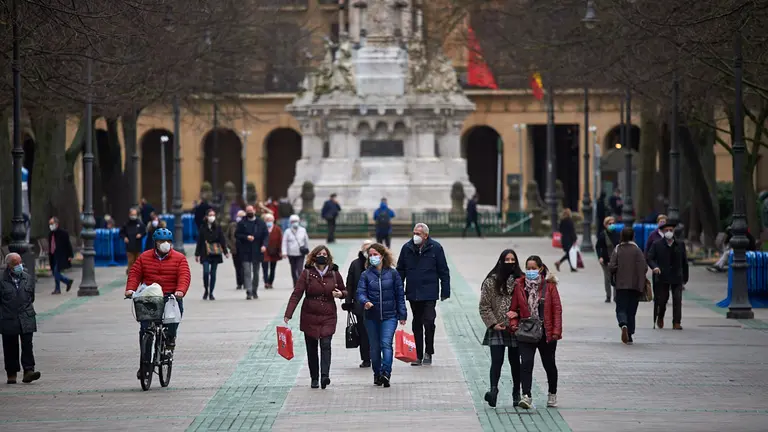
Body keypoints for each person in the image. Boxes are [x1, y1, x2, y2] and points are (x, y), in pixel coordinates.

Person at [125, 228, 191, 379]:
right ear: (155, 243)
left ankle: (169, 341)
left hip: (170, 297)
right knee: (145, 329)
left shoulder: (179, 258)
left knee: (172, 320)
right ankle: (145, 363)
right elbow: (135, 273)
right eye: (161, 242)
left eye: (168, 241)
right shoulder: (144, 257)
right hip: (151, 298)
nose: (165, 244)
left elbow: (184, 276)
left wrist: (180, 291)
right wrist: (130, 289)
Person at [284, 246, 346, 389]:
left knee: (325, 344)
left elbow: (344, 290)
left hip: (328, 314)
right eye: (319, 254)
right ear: (314, 256)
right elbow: (297, 294)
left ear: (328, 257)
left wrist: (341, 294)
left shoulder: (334, 273)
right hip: (309, 315)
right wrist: (289, 313)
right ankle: (314, 377)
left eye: (325, 254)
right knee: (311, 348)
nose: (322, 256)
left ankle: (325, 376)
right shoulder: (307, 273)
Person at [507, 255, 562, 410]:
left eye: (533, 268)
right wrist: (514, 324)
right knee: (526, 363)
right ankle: (527, 396)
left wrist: (557, 331)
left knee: (549, 364)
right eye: (528, 268)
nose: (530, 271)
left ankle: (552, 393)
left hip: (546, 332)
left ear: (540, 269)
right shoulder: (520, 286)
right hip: (526, 331)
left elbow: (557, 310)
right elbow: (513, 309)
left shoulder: (549, 286)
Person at [396, 223, 450, 366]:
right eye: (414, 233)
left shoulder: (436, 248)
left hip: (429, 292)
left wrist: (445, 291)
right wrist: (398, 288)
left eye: (418, 234)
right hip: (413, 292)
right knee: (417, 322)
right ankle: (418, 355)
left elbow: (443, 270)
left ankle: (429, 352)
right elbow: (400, 269)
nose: (415, 236)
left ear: (425, 235)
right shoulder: (407, 248)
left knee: (429, 322)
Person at [357, 243, 407, 388]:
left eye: (375, 254)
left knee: (386, 344)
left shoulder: (392, 273)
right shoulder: (365, 275)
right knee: (374, 347)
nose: (373, 257)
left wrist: (402, 313)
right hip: (371, 316)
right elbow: (360, 292)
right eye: (370, 255)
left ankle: (386, 373)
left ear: (382, 256)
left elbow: (399, 294)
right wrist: (365, 301)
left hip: (389, 315)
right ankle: (377, 373)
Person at [479, 249, 523, 407]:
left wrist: (517, 315)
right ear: (501, 260)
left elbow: (527, 304)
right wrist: (493, 323)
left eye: (513, 259)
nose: (510, 262)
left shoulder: (521, 280)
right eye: (507, 259)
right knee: (496, 361)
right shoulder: (491, 281)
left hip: (516, 327)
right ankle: (493, 390)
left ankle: (516, 393)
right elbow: (484, 306)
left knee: (515, 362)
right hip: (497, 327)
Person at [1, 253, 41, 384]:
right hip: (8, 317)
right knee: (10, 346)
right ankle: (11, 373)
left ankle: (28, 371)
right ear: (9, 265)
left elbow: (31, 297)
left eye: (20, 262)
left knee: (27, 345)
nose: (19, 266)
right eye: (15, 263)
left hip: (26, 316)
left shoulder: (27, 278)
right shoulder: (2, 280)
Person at [609, 227, 648, 344]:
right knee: (632, 310)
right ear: (633, 236)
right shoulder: (637, 250)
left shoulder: (618, 249)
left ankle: (623, 324)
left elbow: (611, 266)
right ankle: (630, 334)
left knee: (621, 308)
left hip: (621, 285)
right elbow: (644, 267)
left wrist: (618, 269)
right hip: (635, 286)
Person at [647, 221, 689, 330]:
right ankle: (660, 316)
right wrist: (655, 267)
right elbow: (649, 258)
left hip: (676, 276)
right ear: (662, 231)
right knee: (662, 300)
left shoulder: (680, 244)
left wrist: (685, 276)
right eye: (666, 230)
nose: (669, 232)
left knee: (677, 299)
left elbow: (684, 261)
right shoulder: (657, 244)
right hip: (662, 276)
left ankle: (676, 322)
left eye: (671, 230)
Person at [343, 239, 374, 368]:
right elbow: (350, 284)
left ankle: (376, 355)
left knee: (375, 332)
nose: (367, 252)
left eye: (370, 249)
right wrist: (348, 302)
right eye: (365, 249)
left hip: (376, 303)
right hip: (360, 305)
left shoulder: (378, 263)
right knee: (363, 332)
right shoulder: (355, 264)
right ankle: (366, 358)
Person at [236, 205, 269, 300]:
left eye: (251, 210)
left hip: (257, 251)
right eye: (248, 211)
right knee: (247, 272)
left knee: (256, 272)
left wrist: (264, 245)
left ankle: (255, 290)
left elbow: (265, 235)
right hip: (245, 251)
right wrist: (246, 237)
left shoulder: (260, 223)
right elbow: (237, 234)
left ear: (254, 211)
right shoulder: (242, 223)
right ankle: (249, 291)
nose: (250, 212)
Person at [195, 208, 229, 300]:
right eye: (210, 215)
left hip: (215, 252)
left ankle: (211, 292)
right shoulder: (203, 227)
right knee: (206, 272)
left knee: (213, 273)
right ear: (206, 217)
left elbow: (222, 239)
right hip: (205, 252)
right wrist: (197, 254)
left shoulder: (218, 227)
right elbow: (199, 241)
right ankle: (206, 289)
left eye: (213, 215)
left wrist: (225, 252)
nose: (212, 217)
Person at [595, 216, 619, 303]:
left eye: (613, 223)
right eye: (610, 224)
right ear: (605, 225)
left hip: (616, 259)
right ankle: (608, 296)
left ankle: (616, 296)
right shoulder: (602, 235)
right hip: (605, 259)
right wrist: (600, 257)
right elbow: (598, 247)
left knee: (616, 277)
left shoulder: (617, 234)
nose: (612, 225)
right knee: (608, 278)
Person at [47, 217, 74, 295]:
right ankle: (65, 283)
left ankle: (62, 285)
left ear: (56, 224)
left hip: (61, 255)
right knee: (55, 272)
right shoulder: (50, 234)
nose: (51, 225)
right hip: (53, 255)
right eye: (50, 224)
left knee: (56, 272)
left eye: (52, 224)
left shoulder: (63, 233)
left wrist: (70, 255)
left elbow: (68, 245)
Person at [282, 214, 311, 286]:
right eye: (293, 221)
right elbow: (284, 242)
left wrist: (308, 251)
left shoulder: (303, 230)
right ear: (290, 222)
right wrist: (284, 252)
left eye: (296, 221)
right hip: (291, 253)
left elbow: (306, 241)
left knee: (299, 269)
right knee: (293, 269)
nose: (295, 222)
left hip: (300, 253)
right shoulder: (287, 231)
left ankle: (300, 283)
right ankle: (295, 282)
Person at [121, 208, 146, 275]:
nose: (133, 216)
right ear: (129, 214)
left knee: (138, 261)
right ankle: (131, 274)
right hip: (129, 246)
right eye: (132, 214)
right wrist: (124, 237)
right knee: (130, 261)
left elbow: (144, 232)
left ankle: (138, 274)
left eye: (134, 214)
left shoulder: (140, 224)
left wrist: (140, 234)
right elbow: (122, 233)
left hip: (137, 245)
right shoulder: (126, 224)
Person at [262, 213, 283, 289]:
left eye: (270, 220)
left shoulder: (277, 229)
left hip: (274, 251)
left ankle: (271, 282)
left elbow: (280, 240)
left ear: (273, 221)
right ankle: (266, 282)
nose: (269, 222)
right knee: (264, 267)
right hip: (264, 251)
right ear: (265, 221)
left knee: (272, 268)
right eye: (267, 220)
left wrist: (281, 251)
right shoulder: (262, 228)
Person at [227, 210, 246, 289]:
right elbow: (227, 236)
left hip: (245, 250)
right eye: (239, 216)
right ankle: (239, 283)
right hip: (235, 249)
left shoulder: (246, 225)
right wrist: (230, 246)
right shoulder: (232, 225)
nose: (240, 218)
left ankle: (245, 282)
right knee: (237, 267)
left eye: (241, 216)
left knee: (245, 266)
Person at [554, 208, 577, 273]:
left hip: (564, 239)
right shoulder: (570, 221)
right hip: (569, 240)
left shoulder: (562, 221)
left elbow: (560, 230)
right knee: (569, 254)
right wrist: (575, 239)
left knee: (569, 254)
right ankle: (560, 263)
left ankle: (571, 267)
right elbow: (572, 231)